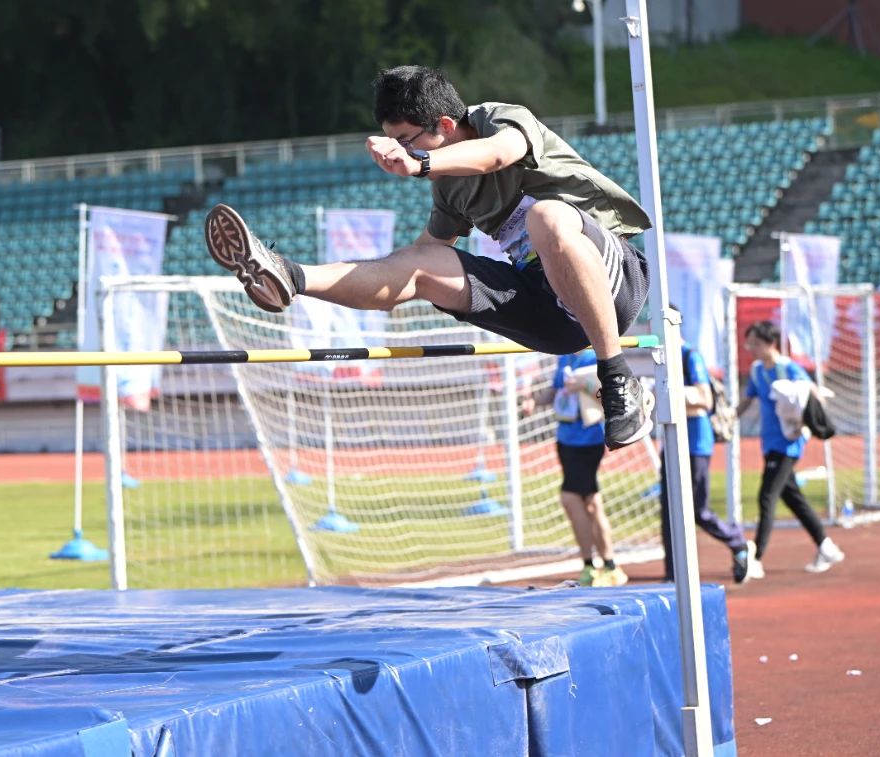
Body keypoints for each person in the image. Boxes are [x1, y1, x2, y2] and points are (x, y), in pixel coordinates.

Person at [204, 65, 652, 449]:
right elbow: (417, 260)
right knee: (418, 262)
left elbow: (497, 155)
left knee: (548, 220)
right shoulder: (449, 187)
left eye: (408, 140)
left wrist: (419, 164)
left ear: (444, 124)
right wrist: (341, 274)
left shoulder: (500, 119)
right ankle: (292, 276)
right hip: (551, 313)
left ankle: (616, 377)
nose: (405, 152)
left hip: (614, 284)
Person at [733, 321, 845, 576]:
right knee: (791, 497)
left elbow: (812, 392)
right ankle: (825, 546)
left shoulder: (788, 369)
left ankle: (757, 557)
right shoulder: (757, 370)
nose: (751, 348)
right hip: (769, 440)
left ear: (770, 344)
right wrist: (731, 417)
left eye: (756, 343)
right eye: (749, 343)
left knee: (767, 496)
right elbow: (748, 399)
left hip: (789, 441)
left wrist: (806, 420)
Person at [523, 350, 628, 587]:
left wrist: (586, 384)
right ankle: (609, 565)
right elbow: (555, 390)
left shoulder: (595, 358)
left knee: (570, 498)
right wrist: (535, 401)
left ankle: (590, 565)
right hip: (566, 438)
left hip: (589, 439)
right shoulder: (565, 357)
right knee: (591, 502)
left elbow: (608, 395)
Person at [659, 334, 753, 584]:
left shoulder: (690, 356)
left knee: (698, 510)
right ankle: (672, 575)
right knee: (669, 510)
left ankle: (736, 541)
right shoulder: (656, 357)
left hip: (696, 443)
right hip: (670, 443)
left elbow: (705, 398)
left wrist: (669, 394)